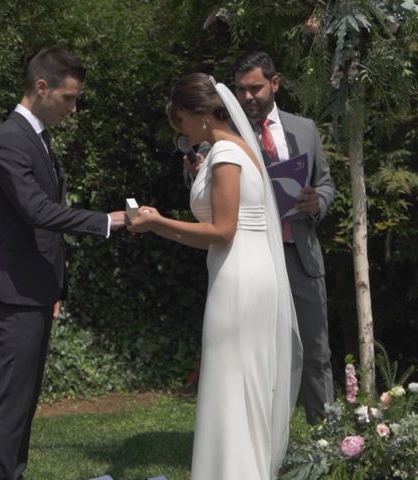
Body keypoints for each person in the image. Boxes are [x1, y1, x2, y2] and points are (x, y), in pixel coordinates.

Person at [128, 73, 302, 479]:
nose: (182, 130)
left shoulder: (226, 156)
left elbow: (222, 233)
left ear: (201, 114)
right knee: (242, 383)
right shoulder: (239, 150)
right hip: (250, 271)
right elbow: (228, 229)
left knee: (231, 382)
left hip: (239, 278)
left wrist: (157, 223)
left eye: (183, 121)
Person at [0, 47, 126, 480]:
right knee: (12, 402)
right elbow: (38, 212)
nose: (75, 108)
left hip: (35, 289)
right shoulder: (8, 140)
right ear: (42, 88)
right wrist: (106, 221)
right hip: (14, 291)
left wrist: (53, 288)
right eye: (70, 98)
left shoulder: (37, 137)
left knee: (24, 400)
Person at [233, 50, 335, 424]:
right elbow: (205, 182)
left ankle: (327, 442)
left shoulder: (304, 127)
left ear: (274, 84)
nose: (248, 98)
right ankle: (261, 442)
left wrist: (316, 201)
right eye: (241, 90)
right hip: (255, 257)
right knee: (258, 354)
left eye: (256, 88)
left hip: (302, 256)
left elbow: (325, 182)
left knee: (316, 351)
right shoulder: (231, 132)